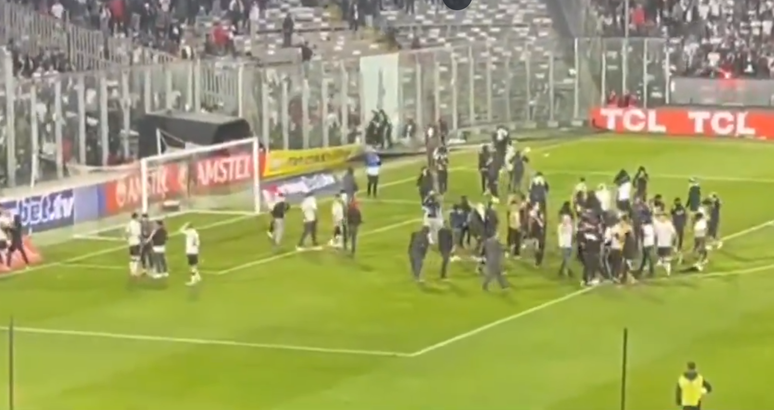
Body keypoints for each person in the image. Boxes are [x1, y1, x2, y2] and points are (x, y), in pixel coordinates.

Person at [125, 212, 142, 277]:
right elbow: (139, 234)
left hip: (131, 243)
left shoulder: (129, 224)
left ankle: (132, 271)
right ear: (136, 217)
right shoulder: (138, 224)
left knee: (132, 257)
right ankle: (135, 272)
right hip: (137, 242)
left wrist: (128, 239)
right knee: (137, 257)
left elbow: (127, 233)